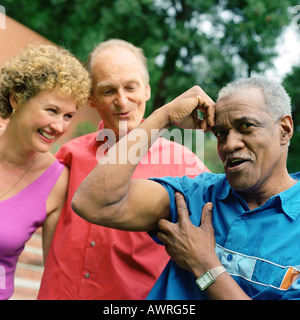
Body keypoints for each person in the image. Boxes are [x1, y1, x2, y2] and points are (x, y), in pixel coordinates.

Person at [72, 77, 300, 300]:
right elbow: (92, 203)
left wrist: (204, 266)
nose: (229, 144)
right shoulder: (196, 195)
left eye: (246, 126)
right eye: (221, 133)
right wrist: (164, 116)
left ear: (284, 129)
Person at [38, 39, 209, 300]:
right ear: (91, 99)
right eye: (108, 91)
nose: (122, 100)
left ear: (147, 90)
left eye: (131, 87)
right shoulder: (69, 155)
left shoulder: (185, 165)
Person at [0, 44, 91, 300]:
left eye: (68, 116)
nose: (58, 126)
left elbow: (56, 275)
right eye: (51, 110)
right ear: (16, 98)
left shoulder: (56, 181)